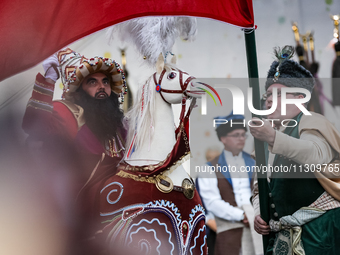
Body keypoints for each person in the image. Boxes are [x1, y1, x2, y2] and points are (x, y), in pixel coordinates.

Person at [22, 48, 127, 253]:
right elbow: (34, 125)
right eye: (92, 82)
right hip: (71, 220)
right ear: (78, 91)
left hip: (114, 216)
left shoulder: (118, 126)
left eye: (105, 82)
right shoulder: (66, 112)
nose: (102, 87)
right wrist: (49, 80)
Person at [250, 45, 340, 255]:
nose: (269, 99)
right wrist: (258, 213)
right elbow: (259, 187)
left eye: (279, 93)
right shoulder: (266, 133)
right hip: (282, 235)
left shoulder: (311, 121)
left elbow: (315, 155)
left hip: (320, 233)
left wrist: (272, 137)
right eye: (268, 95)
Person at [198, 112, 262, 255]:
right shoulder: (208, 168)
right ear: (223, 138)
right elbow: (212, 202)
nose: (241, 139)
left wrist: (254, 214)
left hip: (257, 229)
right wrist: (241, 215)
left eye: (243, 134)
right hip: (228, 232)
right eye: (236, 135)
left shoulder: (255, 163)